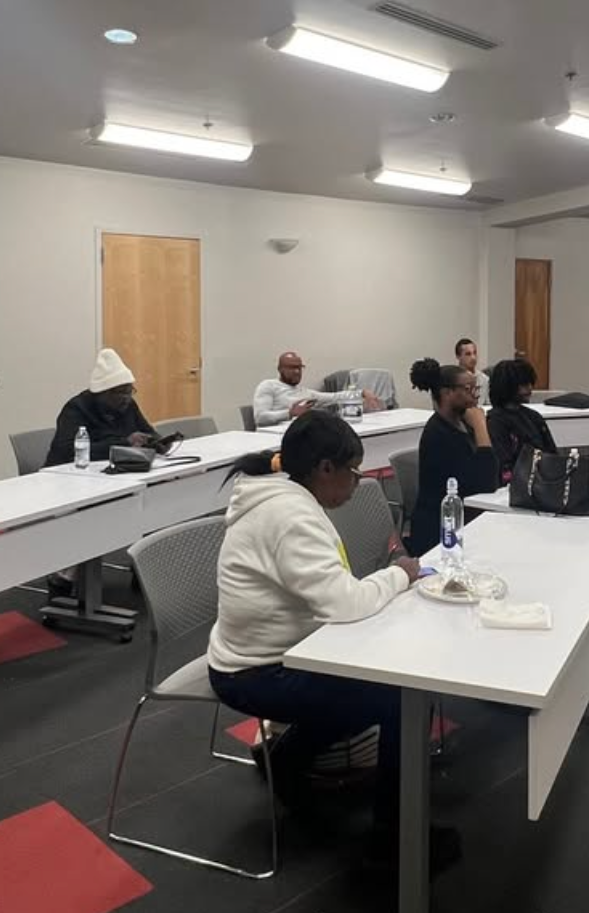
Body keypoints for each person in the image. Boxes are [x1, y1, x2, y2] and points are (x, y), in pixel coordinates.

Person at [207, 413, 445, 858]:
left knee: (378, 679)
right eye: (353, 473)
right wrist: (399, 575)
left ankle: (288, 760)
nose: (357, 484)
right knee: (400, 699)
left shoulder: (286, 498)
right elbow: (344, 603)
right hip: (257, 672)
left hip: (279, 651)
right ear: (324, 469)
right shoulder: (287, 513)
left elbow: (332, 595)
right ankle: (396, 840)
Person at [405, 358, 497, 555]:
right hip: (440, 533)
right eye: (468, 388)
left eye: (476, 388)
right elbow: (485, 483)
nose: (475, 395)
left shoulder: (463, 422)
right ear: (447, 393)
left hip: (464, 518)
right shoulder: (438, 434)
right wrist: (481, 427)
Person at [45, 348, 156, 466]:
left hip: (112, 472)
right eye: (121, 392)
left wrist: (155, 442)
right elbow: (68, 452)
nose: (127, 398)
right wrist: (124, 443)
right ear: (103, 393)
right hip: (67, 474)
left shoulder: (128, 405)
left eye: (130, 391)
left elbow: (150, 433)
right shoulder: (76, 409)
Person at [252, 351, 382, 428]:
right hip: (273, 439)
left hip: (301, 436)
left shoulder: (305, 392)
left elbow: (334, 397)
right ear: (280, 369)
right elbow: (260, 418)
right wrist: (290, 413)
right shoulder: (268, 385)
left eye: (299, 368)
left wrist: (362, 392)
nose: (297, 371)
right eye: (292, 368)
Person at [486, 358, 556, 485]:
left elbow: (552, 454)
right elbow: (503, 464)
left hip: (543, 481)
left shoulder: (534, 417)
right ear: (508, 386)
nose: (530, 388)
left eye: (530, 383)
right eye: (523, 385)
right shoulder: (495, 422)